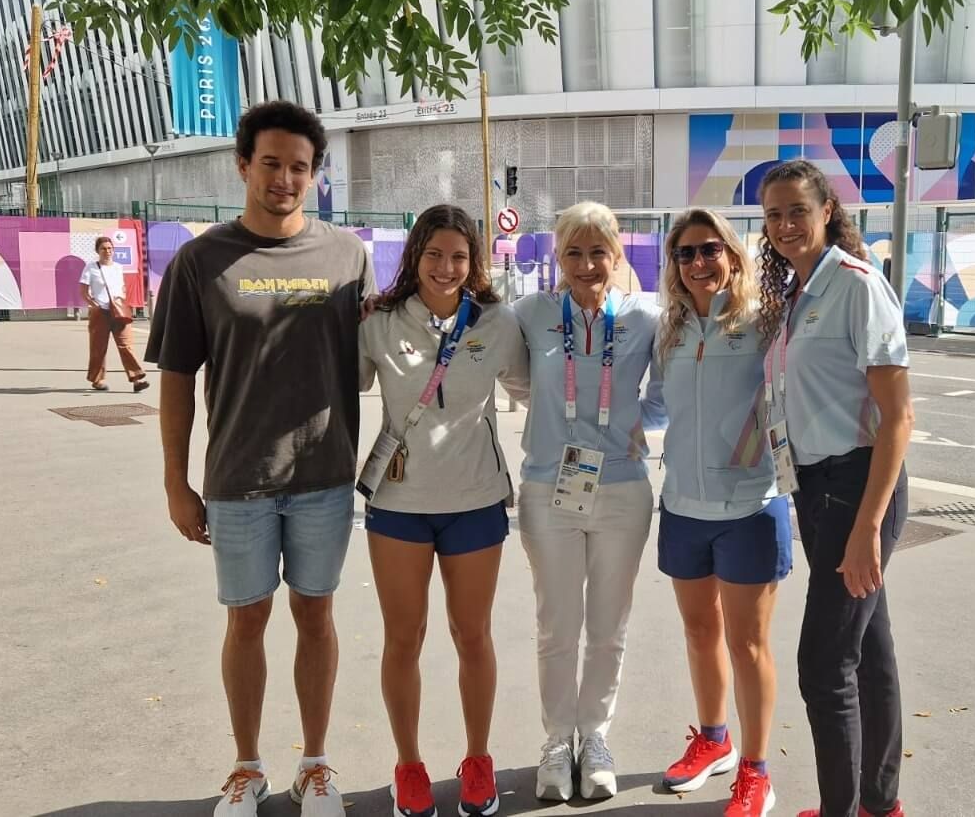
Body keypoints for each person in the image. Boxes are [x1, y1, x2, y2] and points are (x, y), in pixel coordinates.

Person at [145, 101, 374, 817]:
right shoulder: (200, 260)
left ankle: (315, 763)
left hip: (325, 477)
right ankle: (246, 768)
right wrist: (176, 484)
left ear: (315, 175)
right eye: (270, 163)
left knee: (316, 615)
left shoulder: (347, 256)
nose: (283, 178)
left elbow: (381, 358)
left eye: (298, 167)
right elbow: (178, 380)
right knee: (246, 621)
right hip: (238, 482)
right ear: (243, 164)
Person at [356, 204, 530, 817]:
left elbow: (534, 388)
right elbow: (339, 386)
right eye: (434, 254)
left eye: (459, 256)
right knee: (404, 638)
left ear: (473, 262)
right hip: (399, 505)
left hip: (476, 502)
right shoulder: (378, 321)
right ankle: (408, 766)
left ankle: (477, 759)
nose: (446, 267)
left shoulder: (499, 323)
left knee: (472, 635)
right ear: (414, 257)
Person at [756, 160, 914, 817]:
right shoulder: (797, 292)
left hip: (858, 482)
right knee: (868, 650)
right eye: (773, 215)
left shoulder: (856, 286)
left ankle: (841, 810)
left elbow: (898, 416)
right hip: (814, 487)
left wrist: (869, 526)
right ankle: (880, 804)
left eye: (797, 210)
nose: (786, 225)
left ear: (827, 211)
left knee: (823, 667)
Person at [511, 201, 666, 802]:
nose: (585, 263)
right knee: (557, 626)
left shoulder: (645, 317)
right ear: (558, 257)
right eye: (573, 252)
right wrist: (549, 415)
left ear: (617, 254)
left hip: (623, 489)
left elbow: (672, 387)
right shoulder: (531, 313)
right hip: (549, 487)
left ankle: (595, 735)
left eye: (597, 251)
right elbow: (510, 372)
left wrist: (637, 423)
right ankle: (556, 741)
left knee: (609, 627)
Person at [654, 209, 789, 817]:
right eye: (685, 253)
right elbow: (657, 408)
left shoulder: (766, 322)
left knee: (748, 644)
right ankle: (714, 741)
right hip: (682, 504)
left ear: (733, 256)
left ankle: (757, 772)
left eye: (710, 250)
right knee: (699, 630)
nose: (698, 263)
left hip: (749, 506)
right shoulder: (671, 330)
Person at [79, 235, 149, 392]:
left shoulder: (118, 267)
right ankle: (97, 380)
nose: (107, 251)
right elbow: (83, 290)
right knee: (98, 347)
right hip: (101, 313)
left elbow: (121, 287)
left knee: (126, 345)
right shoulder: (91, 268)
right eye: (103, 248)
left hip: (119, 312)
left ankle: (137, 379)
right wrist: (94, 304)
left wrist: (122, 299)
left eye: (110, 248)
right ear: (98, 251)